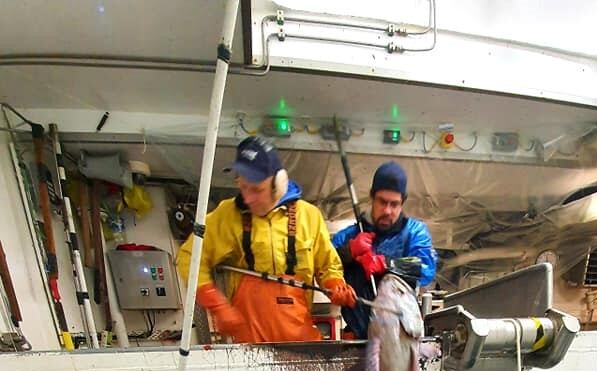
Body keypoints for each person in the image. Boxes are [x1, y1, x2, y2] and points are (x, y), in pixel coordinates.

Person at [177, 136, 356, 343]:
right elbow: (189, 256)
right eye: (242, 186)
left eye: (256, 189)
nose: (248, 198)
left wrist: (335, 284)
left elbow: (328, 266)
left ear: (278, 184)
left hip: (300, 345)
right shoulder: (227, 214)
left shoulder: (309, 216)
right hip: (248, 350)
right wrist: (217, 306)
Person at [332, 161, 437, 338]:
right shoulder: (347, 236)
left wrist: (385, 263)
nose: (387, 210)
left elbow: (427, 268)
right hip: (357, 339)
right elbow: (325, 267)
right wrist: (348, 252)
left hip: (400, 338)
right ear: (372, 198)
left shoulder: (414, 232)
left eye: (394, 204)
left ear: (402, 203)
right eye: (382, 202)